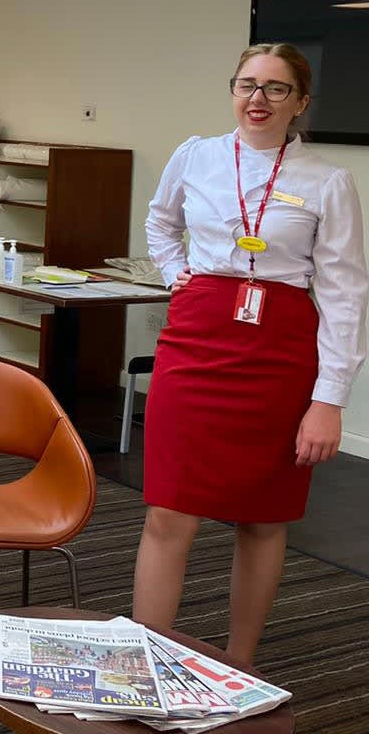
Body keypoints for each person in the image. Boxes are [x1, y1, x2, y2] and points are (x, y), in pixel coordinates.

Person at [133, 42, 367, 666]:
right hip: (196, 340)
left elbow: (345, 296)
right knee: (168, 513)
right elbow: (160, 223)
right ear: (232, 91)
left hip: (281, 352)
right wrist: (176, 270)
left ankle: (240, 666)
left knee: (263, 520)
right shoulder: (196, 156)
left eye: (275, 88)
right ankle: (143, 662)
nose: (257, 99)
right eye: (246, 85)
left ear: (301, 103)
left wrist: (329, 402)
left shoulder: (328, 181)